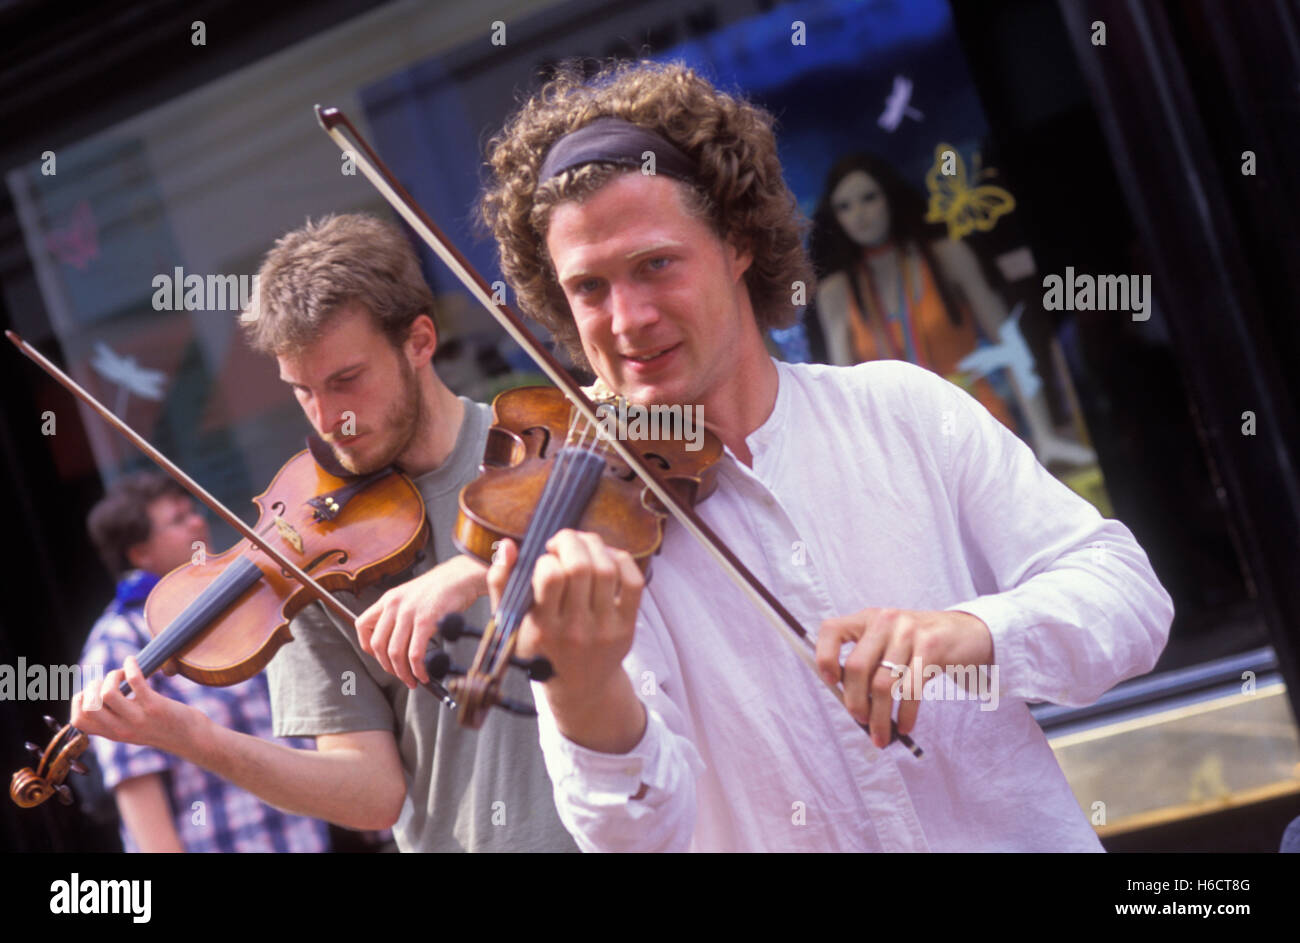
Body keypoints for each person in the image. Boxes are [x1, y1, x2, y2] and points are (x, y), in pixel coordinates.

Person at [458, 59, 1174, 851]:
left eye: (655, 264)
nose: (625, 319)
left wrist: (963, 634)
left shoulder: (899, 408)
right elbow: (637, 832)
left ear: (736, 242)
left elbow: (1129, 603)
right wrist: (585, 694)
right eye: (588, 288)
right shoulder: (591, 532)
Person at [72, 213, 577, 852]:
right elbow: (372, 794)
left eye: (346, 381)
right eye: (302, 391)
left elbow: (642, 500)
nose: (329, 419)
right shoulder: (301, 547)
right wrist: (195, 739)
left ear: (420, 341)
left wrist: (479, 563)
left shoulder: (545, 445)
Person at [80, 471, 331, 852]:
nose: (197, 521)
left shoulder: (231, 603)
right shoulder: (118, 641)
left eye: (191, 511)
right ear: (139, 553)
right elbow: (141, 802)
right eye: (177, 520)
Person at [810, 152, 1096, 468]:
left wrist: (1044, 434)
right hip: (905, 452)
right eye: (844, 206)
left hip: (976, 426)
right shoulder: (836, 293)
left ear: (890, 197)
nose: (859, 215)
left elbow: (1009, 342)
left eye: (868, 198)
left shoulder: (947, 257)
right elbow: (847, 400)